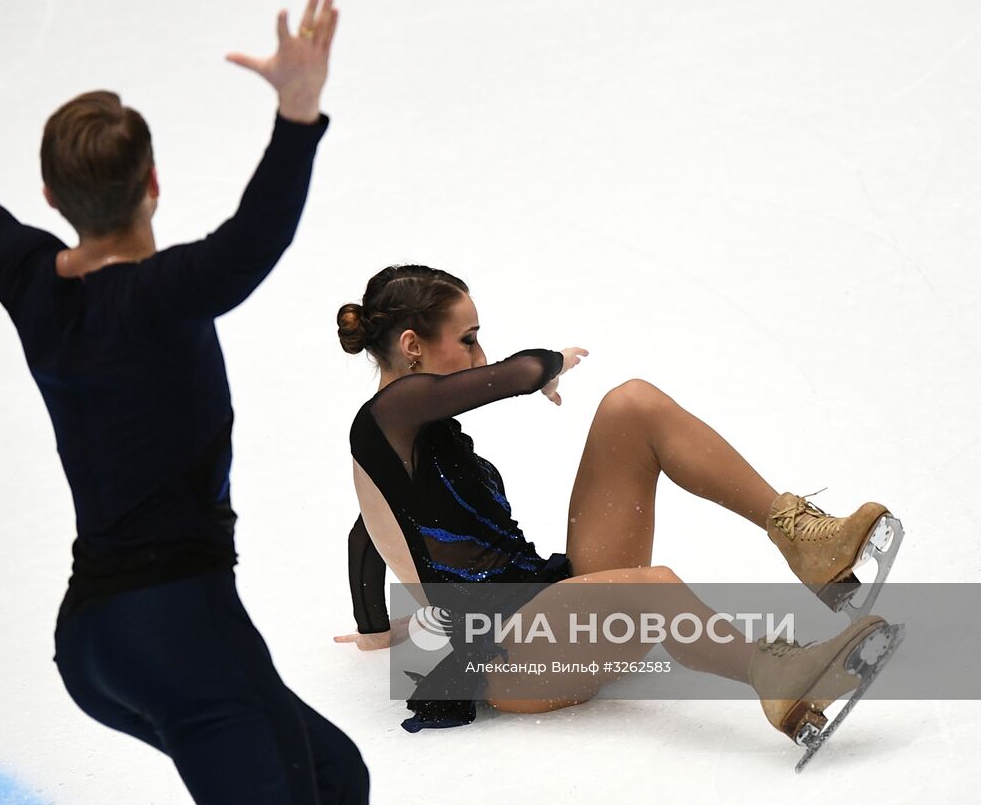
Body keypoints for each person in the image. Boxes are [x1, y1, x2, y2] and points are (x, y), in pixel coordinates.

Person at [0, 0, 368, 804]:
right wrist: (297, 113)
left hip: (95, 643)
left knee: (336, 774)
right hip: (183, 629)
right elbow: (257, 236)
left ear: (51, 196)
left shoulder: (29, 279)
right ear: (154, 185)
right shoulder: (168, 295)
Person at [332, 264, 904, 760]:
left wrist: (375, 629)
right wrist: (547, 363)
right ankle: (777, 675)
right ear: (412, 346)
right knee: (655, 587)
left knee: (631, 404)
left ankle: (802, 538)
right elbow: (513, 375)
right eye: (470, 338)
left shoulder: (394, 448)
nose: (479, 355)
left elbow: (368, 533)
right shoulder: (391, 411)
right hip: (506, 652)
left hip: (549, 606)